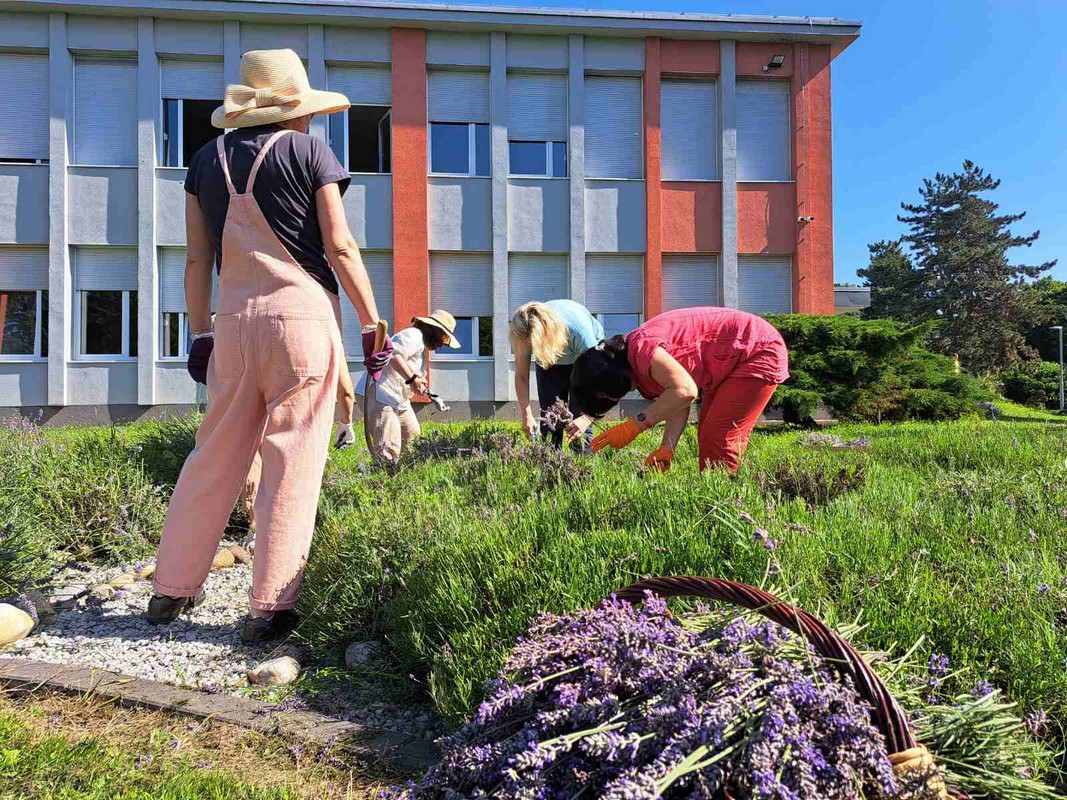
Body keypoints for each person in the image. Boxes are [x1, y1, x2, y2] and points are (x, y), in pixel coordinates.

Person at [147, 49, 391, 643]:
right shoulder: (311, 153)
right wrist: (371, 321)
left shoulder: (204, 160)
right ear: (297, 112)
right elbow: (340, 246)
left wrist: (200, 331)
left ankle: (169, 588)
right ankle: (270, 607)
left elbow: (198, 257)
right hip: (301, 322)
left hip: (231, 324)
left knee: (214, 454)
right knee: (292, 458)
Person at [567, 307, 789, 472]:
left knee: (718, 437)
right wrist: (667, 447)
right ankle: (716, 498)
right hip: (728, 361)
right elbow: (678, 399)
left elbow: (685, 391)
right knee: (708, 435)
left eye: (608, 395)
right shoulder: (634, 359)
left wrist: (634, 426)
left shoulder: (643, 349)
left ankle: (724, 506)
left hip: (755, 349)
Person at [356, 311, 461, 462]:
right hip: (380, 393)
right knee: (388, 447)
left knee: (413, 438)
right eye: (443, 338)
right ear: (434, 330)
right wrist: (412, 379)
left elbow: (407, 376)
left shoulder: (419, 347)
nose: (441, 344)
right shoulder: (414, 335)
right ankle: (384, 479)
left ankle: (404, 475)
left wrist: (430, 394)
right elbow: (392, 354)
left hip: (397, 398)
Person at [509, 300, 605, 448]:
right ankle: (551, 460)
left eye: (533, 345)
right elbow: (522, 376)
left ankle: (583, 463)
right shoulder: (524, 332)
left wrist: (587, 418)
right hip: (550, 357)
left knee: (579, 415)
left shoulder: (579, 331)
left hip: (583, 358)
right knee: (550, 416)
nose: (531, 349)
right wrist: (526, 415)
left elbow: (600, 380)